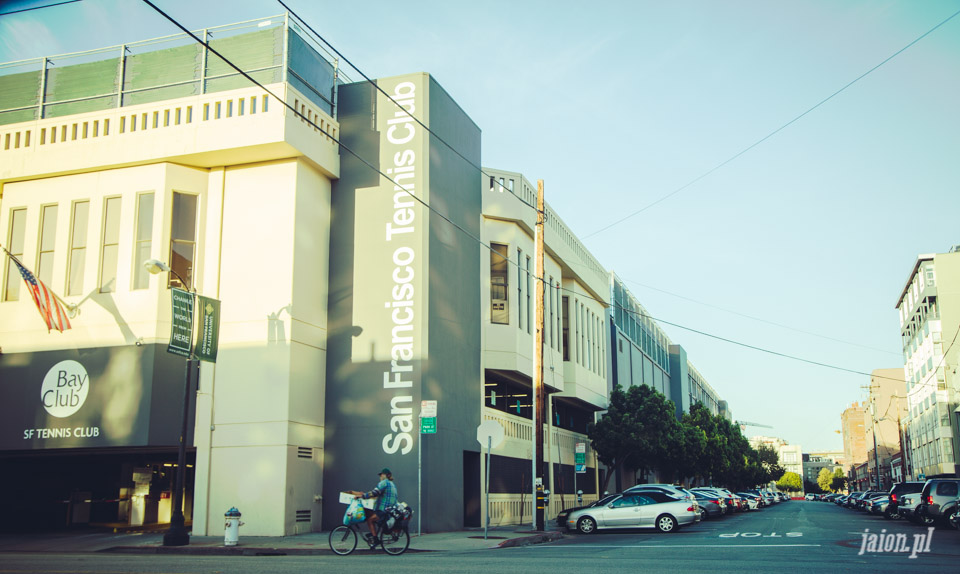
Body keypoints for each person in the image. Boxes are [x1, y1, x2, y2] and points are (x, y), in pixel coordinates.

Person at [347, 468, 398, 546]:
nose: (380, 477)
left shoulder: (384, 482)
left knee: (370, 520)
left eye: (381, 475)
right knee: (370, 513)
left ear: (385, 475)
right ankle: (373, 533)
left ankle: (375, 539)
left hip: (383, 509)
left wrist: (361, 496)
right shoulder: (392, 484)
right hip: (389, 509)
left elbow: (375, 493)